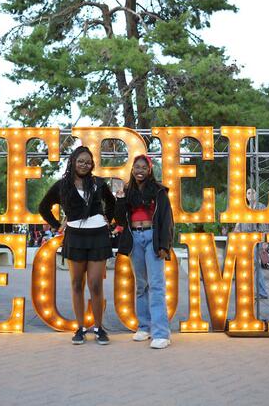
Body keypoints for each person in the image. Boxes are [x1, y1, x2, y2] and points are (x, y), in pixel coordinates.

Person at [38, 146, 116, 345]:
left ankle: (98, 328)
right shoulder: (62, 185)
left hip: (98, 235)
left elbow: (112, 203)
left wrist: (109, 219)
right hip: (75, 237)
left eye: (88, 162)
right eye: (81, 160)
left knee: (96, 284)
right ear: (73, 161)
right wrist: (57, 226)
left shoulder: (98, 183)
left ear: (92, 164)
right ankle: (80, 328)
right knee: (76, 284)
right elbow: (43, 207)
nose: (84, 164)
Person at [114, 155, 174, 349]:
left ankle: (161, 333)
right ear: (132, 169)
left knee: (156, 285)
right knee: (141, 285)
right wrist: (121, 199)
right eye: (136, 167)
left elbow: (167, 219)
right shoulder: (127, 191)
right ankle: (144, 327)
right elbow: (120, 221)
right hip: (135, 239)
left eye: (143, 167)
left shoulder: (159, 191)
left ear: (149, 170)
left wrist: (165, 245)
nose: (139, 170)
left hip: (153, 238)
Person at [234, 188, 269, 299]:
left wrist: (264, 241)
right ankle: (254, 291)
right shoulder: (244, 208)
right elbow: (238, 224)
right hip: (245, 240)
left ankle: (262, 292)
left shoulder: (261, 207)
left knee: (255, 266)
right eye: (248, 193)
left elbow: (264, 224)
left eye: (252, 192)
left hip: (256, 240)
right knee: (249, 266)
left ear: (256, 194)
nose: (250, 195)